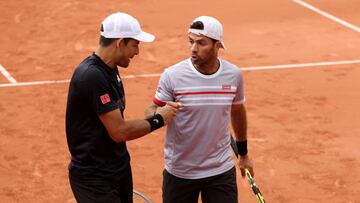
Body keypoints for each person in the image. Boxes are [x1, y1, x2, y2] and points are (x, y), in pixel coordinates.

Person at [65, 12, 181, 203]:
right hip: (94, 178)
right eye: (135, 44)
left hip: (117, 169)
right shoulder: (92, 76)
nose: (137, 51)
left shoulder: (110, 69)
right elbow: (118, 131)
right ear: (120, 42)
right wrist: (159, 118)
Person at [145, 16, 254, 203]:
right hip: (180, 172)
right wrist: (159, 117)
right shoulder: (173, 75)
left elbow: (237, 111)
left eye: (201, 43)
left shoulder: (233, 75)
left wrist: (243, 154)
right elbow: (151, 109)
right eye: (191, 41)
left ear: (217, 45)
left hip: (220, 171)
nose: (193, 49)